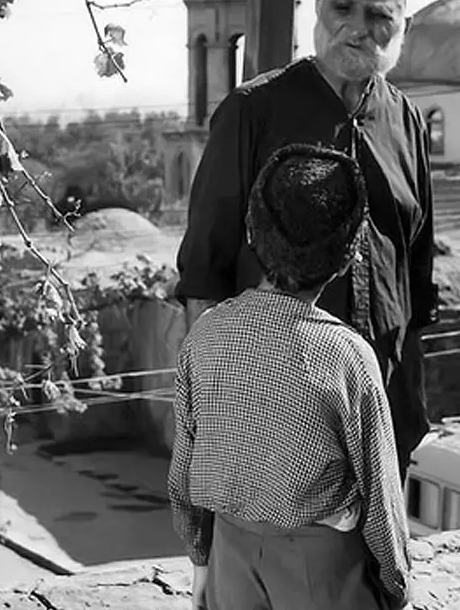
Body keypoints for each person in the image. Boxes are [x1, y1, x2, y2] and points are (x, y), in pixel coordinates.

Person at [175, 0, 438, 483]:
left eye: (378, 16)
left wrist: (409, 394)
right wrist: (212, 410)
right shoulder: (254, 111)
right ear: (319, 11)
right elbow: (205, 271)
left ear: (402, 29)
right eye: (344, 8)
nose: (357, 28)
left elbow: (417, 267)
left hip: (380, 405)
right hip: (272, 405)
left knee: (377, 537)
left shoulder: (407, 120)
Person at [168, 143, 412, 610]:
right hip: (320, 571)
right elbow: (381, 497)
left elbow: (184, 469)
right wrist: (396, 585)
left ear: (252, 233)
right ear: (349, 256)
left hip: (230, 560)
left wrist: (202, 562)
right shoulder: (346, 356)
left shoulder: (206, 334)